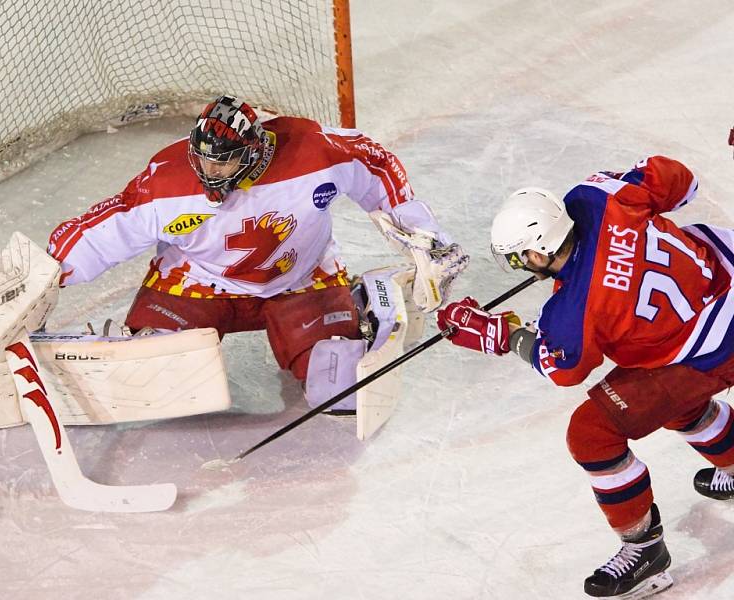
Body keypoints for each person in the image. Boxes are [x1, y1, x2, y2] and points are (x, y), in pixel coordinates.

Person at [437, 156, 734, 599]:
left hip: (715, 345)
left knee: (593, 433)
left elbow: (563, 368)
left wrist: (499, 334)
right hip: (724, 270)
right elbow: (681, 181)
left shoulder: (573, 314)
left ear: (538, 252)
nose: (521, 265)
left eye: (520, 258)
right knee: (667, 400)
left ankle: (645, 552)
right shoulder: (596, 196)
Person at [48, 94, 467, 387]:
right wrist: (47, 270)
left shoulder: (311, 152)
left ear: (251, 151)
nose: (209, 172)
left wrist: (428, 241)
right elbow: (110, 226)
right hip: (197, 284)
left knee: (335, 382)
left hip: (301, 280)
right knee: (157, 371)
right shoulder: (168, 180)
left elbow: (376, 163)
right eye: (203, 159)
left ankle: (362, 301)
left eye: (222, 161)